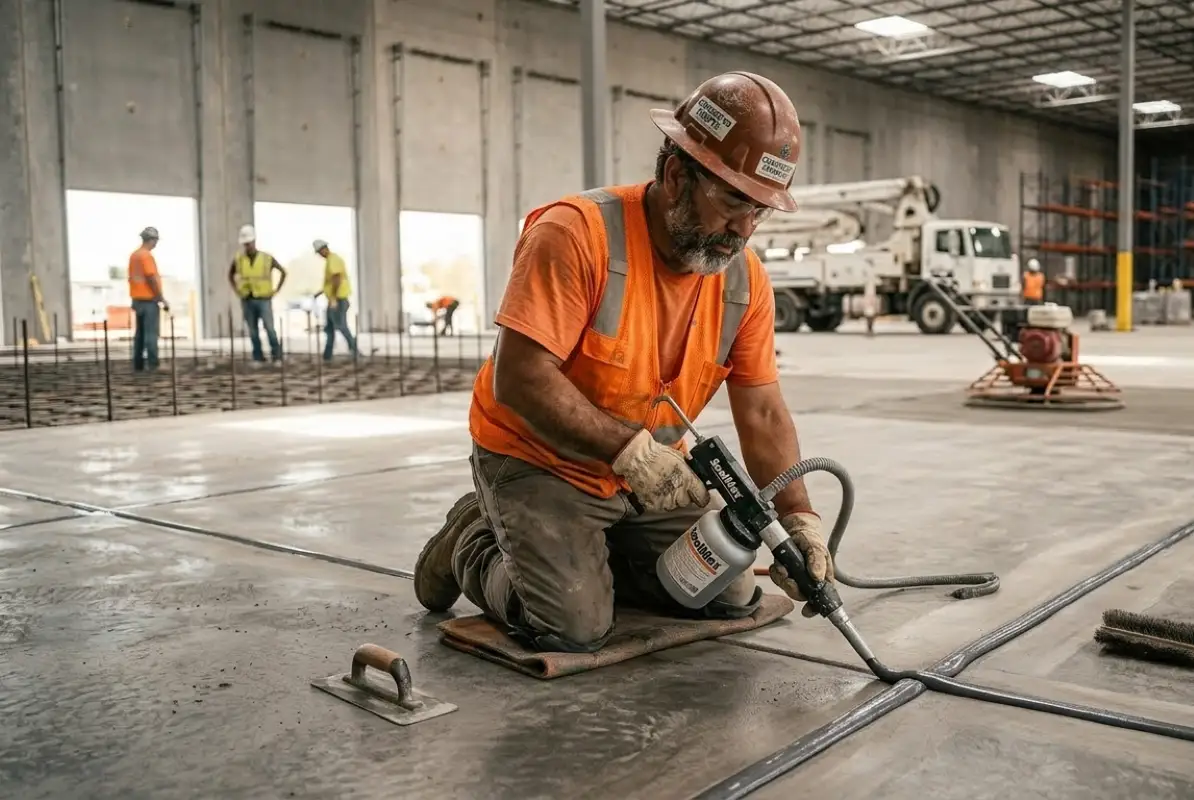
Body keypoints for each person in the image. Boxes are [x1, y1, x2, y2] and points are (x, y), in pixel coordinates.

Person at [413, 71, 834, 653]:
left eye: (760, 211)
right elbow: (520, 378)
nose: (743, 229)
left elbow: (761, 411)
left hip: (651, 476)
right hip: (540, 460)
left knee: (722, 590)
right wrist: (629, 452)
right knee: (573, 625)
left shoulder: (744, 282)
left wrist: (797, 517)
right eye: (733, 201)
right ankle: (473, 539)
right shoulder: (576, 234)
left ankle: (586, 553)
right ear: (676, 176)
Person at [227, 224, 286, 363]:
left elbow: (283, 272)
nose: (247, 246)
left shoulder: (267, 258)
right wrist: (237, 290)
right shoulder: (239, 259)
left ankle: (277, 356)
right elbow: (230, 275)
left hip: (264, 299)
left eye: (249, 243)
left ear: (254, 241)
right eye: (245, 244)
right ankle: (258, 357)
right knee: (253, 331)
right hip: (247, 299)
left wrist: (276, 290)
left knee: (269, 328)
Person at [127, 226, 169, 372]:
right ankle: (153, 364)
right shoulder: (146, 256)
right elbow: (151, 278)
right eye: (155, 240)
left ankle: (138, 365)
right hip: (149, 300)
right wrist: (160, 298)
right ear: (151, 240)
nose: (156, 243)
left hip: (137, 300)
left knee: (140, 334)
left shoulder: (134, 256)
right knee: (151, 334)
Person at [312, 239, 359, 360]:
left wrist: (333, 298)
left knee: (341, 326)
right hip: (334, 299)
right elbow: (330, 282)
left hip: (338, 299)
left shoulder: (334, 259)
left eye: (319, 252)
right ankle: (327, 355)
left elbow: (337, 279)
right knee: (329, 328)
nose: (320, 255)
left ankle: (355, 350)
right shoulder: (330, 260)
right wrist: (320, 293)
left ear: (324, 249)